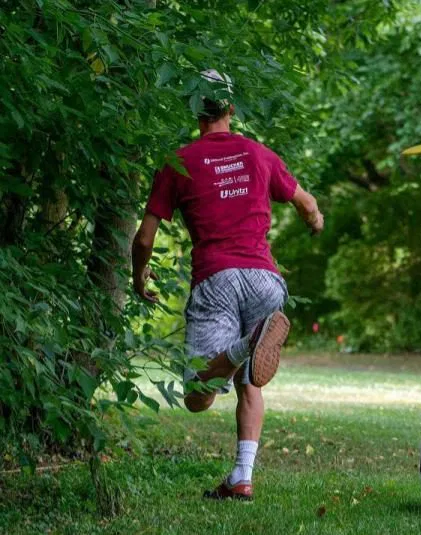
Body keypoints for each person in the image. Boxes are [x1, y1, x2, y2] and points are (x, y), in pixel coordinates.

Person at [131, 70, 324, 501]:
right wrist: (316, 222)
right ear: (231, 109)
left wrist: (138, 276)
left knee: (197, 397)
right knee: (249, 380)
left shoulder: (178, 163)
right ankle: (242, 475)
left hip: (216, 279)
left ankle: (245, 347)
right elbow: (308, 204)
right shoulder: (258, 155)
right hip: (265, 282)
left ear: (195, 110)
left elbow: (144, 237)